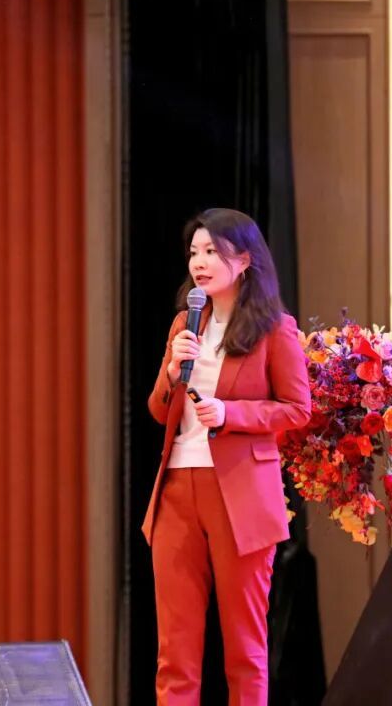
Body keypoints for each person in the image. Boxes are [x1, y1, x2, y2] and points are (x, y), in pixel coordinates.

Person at [142, 207, 312, 705]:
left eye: (212, 251)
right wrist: (171, 372)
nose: (199, 262)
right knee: (175, 651)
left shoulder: (274, 328)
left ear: (244, 260)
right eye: (195, 252)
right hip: (177, 488)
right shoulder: (184, 323)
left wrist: (230, 413)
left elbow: (297, 409)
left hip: (240, 495)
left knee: (244, 649)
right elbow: (159, 410)